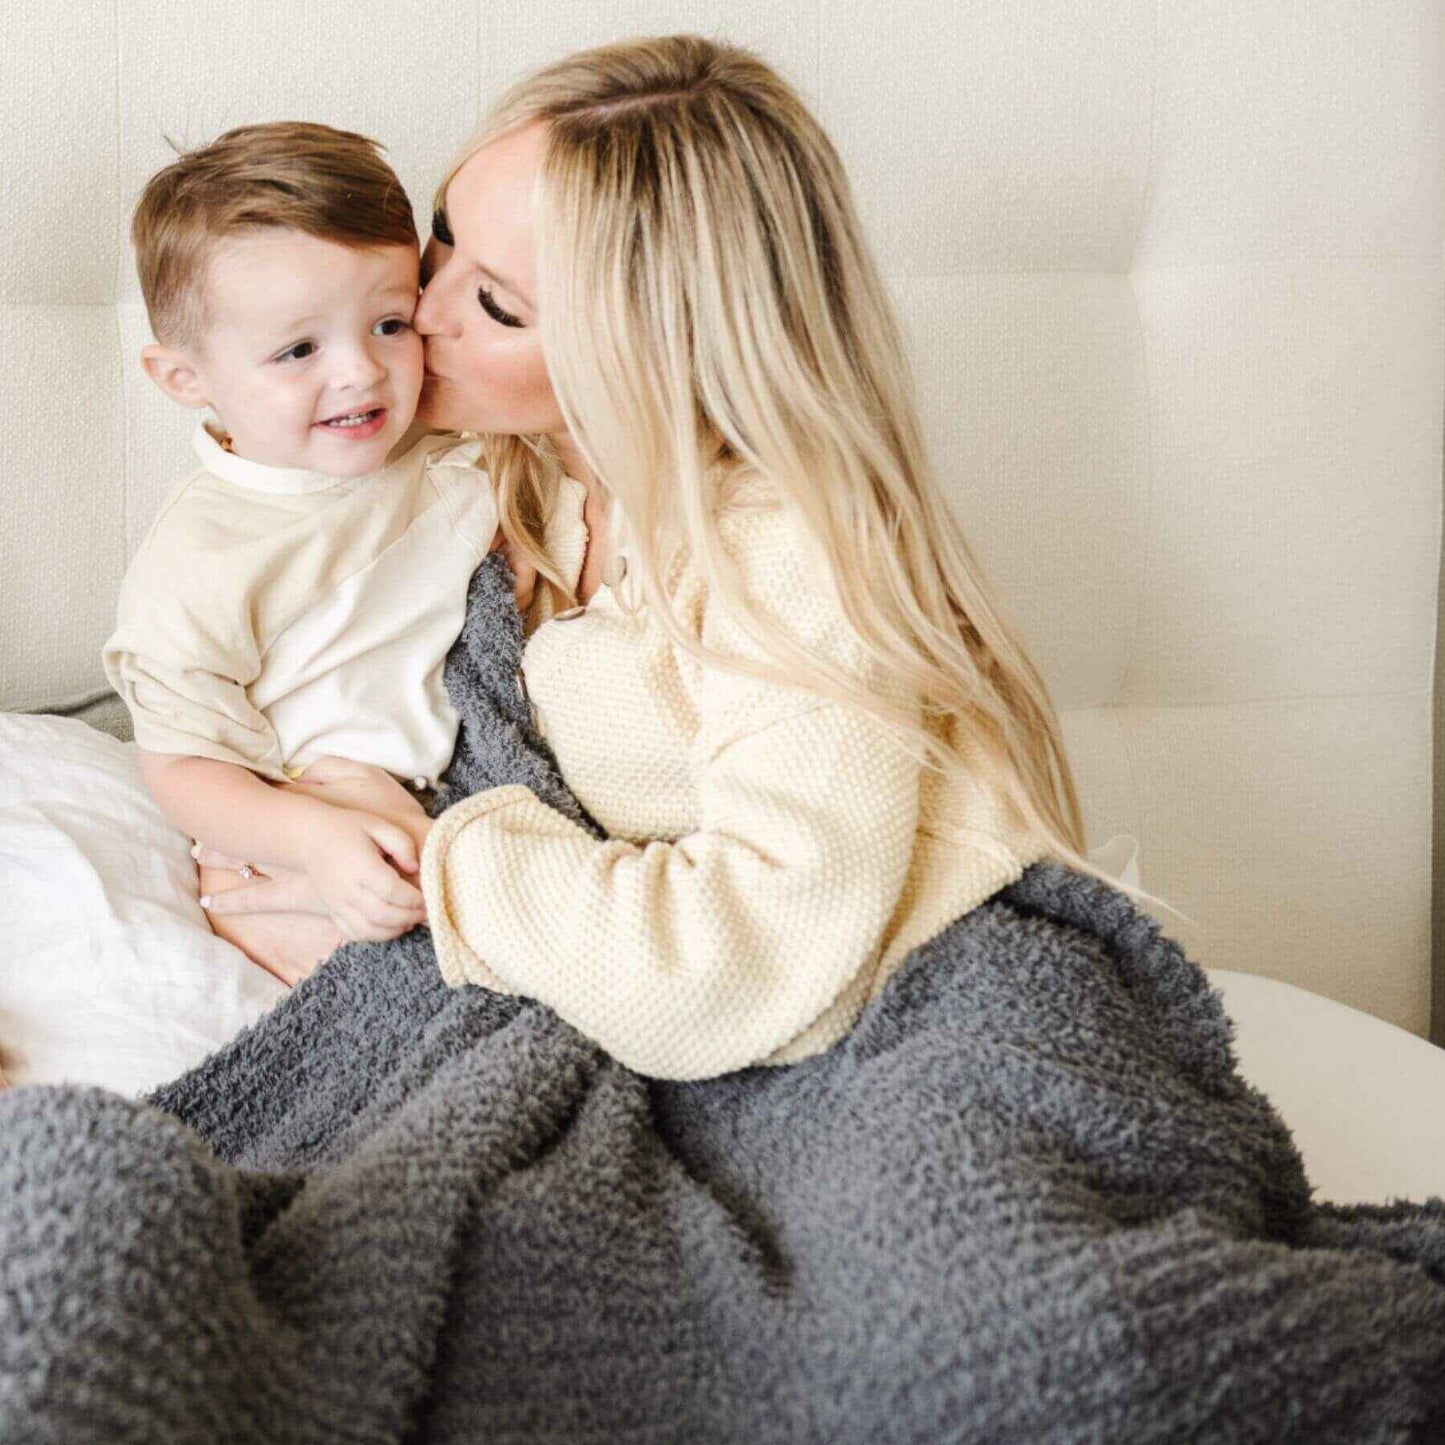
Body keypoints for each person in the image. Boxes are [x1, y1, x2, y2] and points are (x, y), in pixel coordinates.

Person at [202, 35, 1186, 1078]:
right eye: (441, 238)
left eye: (495, 304)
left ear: (644, 346)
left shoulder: (791, 557)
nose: (421, 310)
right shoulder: (494, 473)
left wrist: (427, 876)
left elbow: (742, 968)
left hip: (883, 1026)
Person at [102, 121, 518, 983]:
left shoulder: (451, 446)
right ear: (186, 378)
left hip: (466, 802)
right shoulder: (200, 562)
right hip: (296, 828)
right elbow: (182, 762)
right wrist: (311, 837)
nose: (360, 373)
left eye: (389, 323)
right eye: (299, 349)